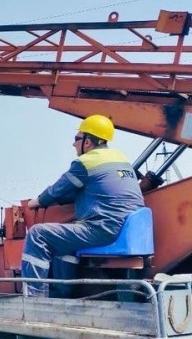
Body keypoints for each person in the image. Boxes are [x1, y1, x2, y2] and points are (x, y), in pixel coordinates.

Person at [20, 115, 145, 297]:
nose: (74, 144)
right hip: (130, 230)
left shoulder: (86, 162)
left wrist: (35, 202)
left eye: (77, 139)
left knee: (37, 234)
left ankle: (33, 297)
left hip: (103, 229)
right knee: (64, 246)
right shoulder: (121, 159)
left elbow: (57, 190)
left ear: (88, 142)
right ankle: (62, 295)